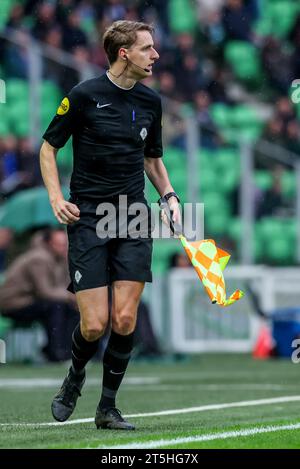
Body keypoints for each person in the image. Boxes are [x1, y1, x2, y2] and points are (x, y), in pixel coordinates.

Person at [39, 20, 180, 430]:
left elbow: (152, 159)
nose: (155, 55)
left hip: (134, 217)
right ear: (124, 53)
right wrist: (55, 198)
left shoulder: (152, 102)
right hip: (88, 219)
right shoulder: (84, 96)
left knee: (124, 320)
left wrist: (169, 196)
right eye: (147, 48)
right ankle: (74, 377)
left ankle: (108, 407)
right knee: (94, 323)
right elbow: (49, 148)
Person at [0, 229, 79, 362]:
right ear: (48, 244)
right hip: (13, 304)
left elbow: (63, 286)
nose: (64, 247)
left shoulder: (58, 258)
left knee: (70, 309)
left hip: (31, 300)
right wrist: (72, 297)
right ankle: (55, 353)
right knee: (56, 306)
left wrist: (72, 298)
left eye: (65, 244)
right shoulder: (39, 258)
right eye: (59, 244)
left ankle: (66, 352)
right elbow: (45, 291)